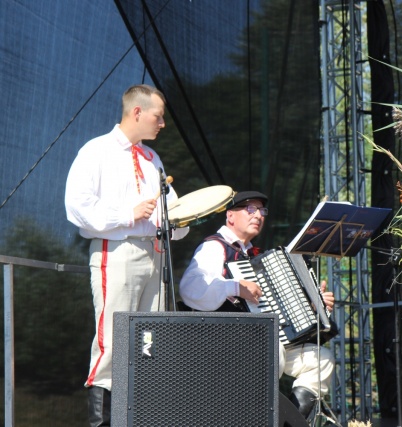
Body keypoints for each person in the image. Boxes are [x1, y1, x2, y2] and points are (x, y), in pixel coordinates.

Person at [65, 84, 189, 427]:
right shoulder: (97, 150)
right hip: (117, 251)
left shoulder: (153, 159)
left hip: (155, 254)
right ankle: (102, 423)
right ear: (137, 112)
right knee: (113, 340)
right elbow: (77, 207)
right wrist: (128, 214)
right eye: (158, 116)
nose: (162, 123)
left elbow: (172, 210)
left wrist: (182, 220)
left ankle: (142, 418)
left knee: (151, 340)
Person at [179, 191, 336, 421]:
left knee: (321, 359)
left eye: (262, 211)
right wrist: (234, 287)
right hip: (224, 339)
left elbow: (282, 309)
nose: (258, 215)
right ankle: (255, 419)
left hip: (260, 341)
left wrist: (313, 306)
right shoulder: (215, 247)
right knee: (271, 346)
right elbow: (190, 288)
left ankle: (287, 422)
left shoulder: (256, 256)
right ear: (230, 216)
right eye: (250, 209)